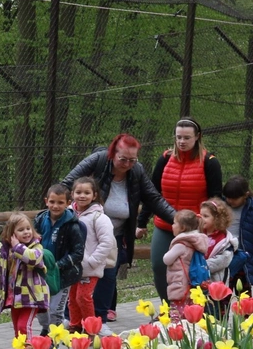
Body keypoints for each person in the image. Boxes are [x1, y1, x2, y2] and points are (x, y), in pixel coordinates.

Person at [62, 133, 176, 322]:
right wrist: (60, 212)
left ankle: (99, 320)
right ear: (113, 153)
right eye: (123, 159)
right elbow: (66, 185)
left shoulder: (137, 172)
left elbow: (153, 199)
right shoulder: (98, 160)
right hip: (84, 235)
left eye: (132, 160)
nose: (127, 164)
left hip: (114, 235)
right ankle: (71, 320)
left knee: (107, 275)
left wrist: (177, 219)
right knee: (77, 278)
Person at [146, 118, 223, 301]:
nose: (182, 141)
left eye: (187, 137)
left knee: (193, 268)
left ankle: (193, 307)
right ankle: (169, 306)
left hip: (195, 228)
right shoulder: (165, 159)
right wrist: (142, 222)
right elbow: (152, 192)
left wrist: (211, 223)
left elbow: (215, 198)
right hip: (166, 224)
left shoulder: (209, 162)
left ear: (197, 137)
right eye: (179, 137)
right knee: (159, 264)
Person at [0, 213, 49, 337]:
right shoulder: (7, 252)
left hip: (33, 297)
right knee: (17, 329)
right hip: (15, 298)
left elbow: (33, 259)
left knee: (23, 326)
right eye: (21, 230)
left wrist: (18, 247)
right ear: (12, 234)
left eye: (28, 228)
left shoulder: (36, 247)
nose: (26, 232)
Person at [33, 184, 85, 328]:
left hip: (63, 275)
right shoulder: (39, 220)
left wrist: (58, 266)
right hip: (41, 271)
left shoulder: (73, 226)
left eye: (60, 202)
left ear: (68, 203)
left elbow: (78, 253)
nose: (55, 206)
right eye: (52, 202)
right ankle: (46, 332)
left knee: (56, 311)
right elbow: (31, 241)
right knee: (41, 308)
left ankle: (54, 340)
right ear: (46, 201)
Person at [68, 178, 115, 331]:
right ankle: (75, 325)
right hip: (72, 265)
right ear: (72, 194)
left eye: (86, 193)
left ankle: (91, 327)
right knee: (73, 298)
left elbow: (106, 242)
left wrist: (92, 261)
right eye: (78, 192)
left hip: (89, 267)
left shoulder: (99, 218)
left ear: (94, 195)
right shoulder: (68, 214)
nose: (82, 196)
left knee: (83, 297)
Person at [222, 176, 253, 294]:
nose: (230, 201)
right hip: (224, 255)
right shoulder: (221, 206)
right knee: (223, 293)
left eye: (234, 198)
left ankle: (244, 312)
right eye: (227, 197)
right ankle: (222, 312)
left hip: (244, 258)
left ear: (245, 195)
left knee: (243, 294)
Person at [163, 211, 209, 318]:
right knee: (192, 315)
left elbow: (166, 259)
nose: (172, 226)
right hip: (193, 284)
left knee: (177, 316)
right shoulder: (197, 241)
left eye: (174, 223)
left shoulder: (181, 244)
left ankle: (178, 332)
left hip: (180, 285)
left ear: (182, 228)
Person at [199, 198, 237, 317]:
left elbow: (223, 260)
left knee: (215, 312)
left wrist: (202, 266)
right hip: (199, 281)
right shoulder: (199, 234)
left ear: (217, 219)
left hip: (216, 280)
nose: (201, 218)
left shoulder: (224, 240)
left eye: (206, 216)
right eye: (200, 215)